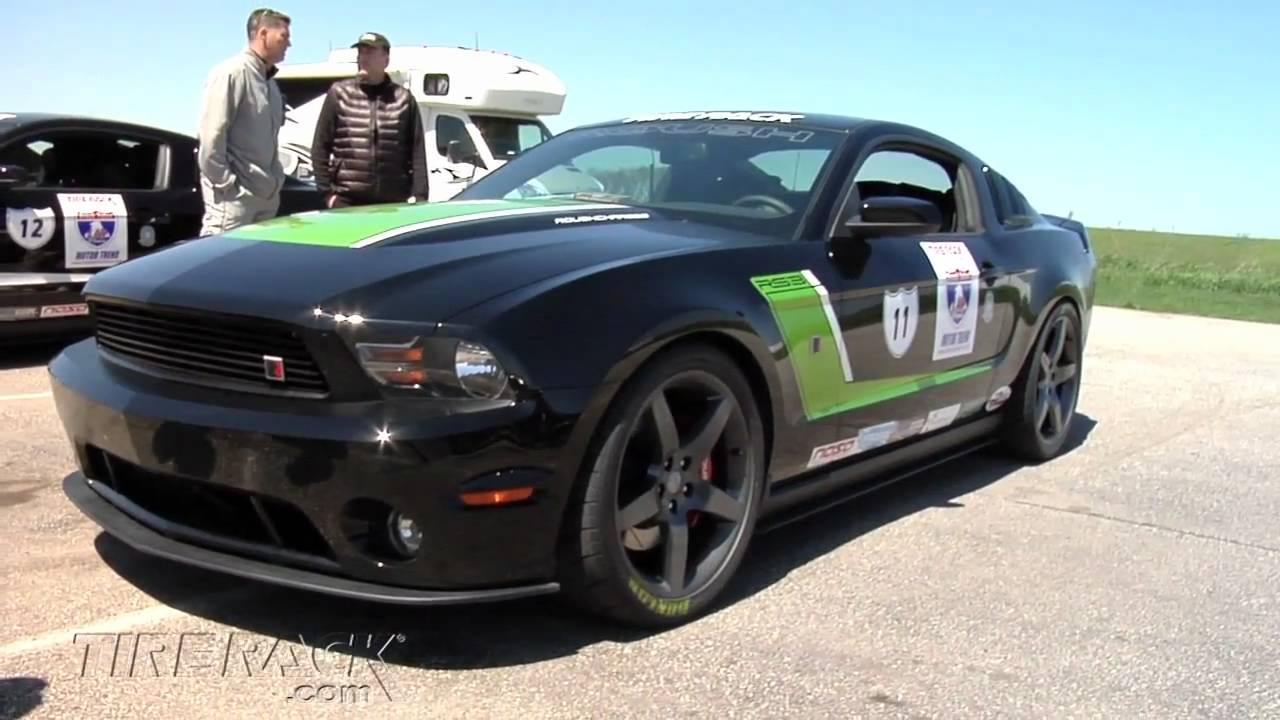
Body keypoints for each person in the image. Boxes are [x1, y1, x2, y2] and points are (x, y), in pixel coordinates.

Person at [196, 8, 292, 235]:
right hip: (234, 202)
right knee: (219, 266)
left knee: (255, 268)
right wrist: (227, 186)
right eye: (284, 37)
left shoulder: (270, 84)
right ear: (263, 34)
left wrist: (275, 181)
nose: (289, 45)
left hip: (266, 198)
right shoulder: (231, 73)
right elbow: (211, 138)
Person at [310, 32, 428, 208]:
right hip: (346, 200)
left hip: (393, 203)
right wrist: (327, 194)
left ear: (385, 60)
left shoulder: (403, 99)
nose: (363, 58)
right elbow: (320, 147)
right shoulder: (339, 94)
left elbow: (417, 153)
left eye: (370, 52)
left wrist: (420, 197)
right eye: (361, 53)